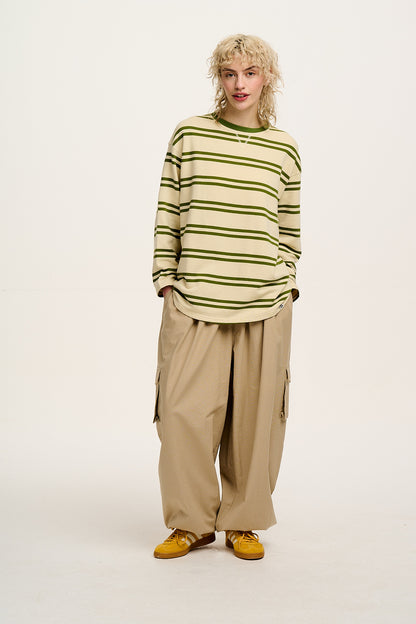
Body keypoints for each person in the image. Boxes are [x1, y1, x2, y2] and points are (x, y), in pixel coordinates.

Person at [151, 33, 301, 560]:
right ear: (219, 78)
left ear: (267, 78)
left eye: (251, 73)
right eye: (230, 73)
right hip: (194, 299)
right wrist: (165, 279)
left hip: (265, 301)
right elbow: (169, 209)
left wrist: (287, 283)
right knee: (182, 415)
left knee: (257, 421)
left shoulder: (283, 148)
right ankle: (190, 524)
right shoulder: (190, 135)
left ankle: (243, 522)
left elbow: (289, 228)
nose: (240, 84)